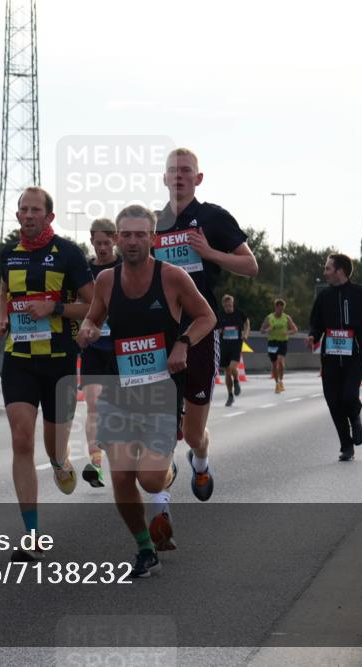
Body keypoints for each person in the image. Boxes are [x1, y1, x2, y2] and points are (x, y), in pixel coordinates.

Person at [77, 205, 216, 577]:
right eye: (127, 235)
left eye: (141, 234)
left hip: (159, 392)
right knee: (122, 475)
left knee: (149, 478)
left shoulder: (173, 277)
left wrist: (183, 343)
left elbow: (207, 316)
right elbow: (94, 315)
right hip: (120, 390)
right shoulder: (107, 279)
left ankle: (168, 467)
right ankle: (144, 548)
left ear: (152, 238)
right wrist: (88, 328)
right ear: (118, 239)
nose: (133, 241)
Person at [0, 187, 94, 561]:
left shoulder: (67, 253)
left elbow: (93, 305)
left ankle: (60, 462)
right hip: (18, 358)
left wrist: (54, 307)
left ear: (50, 217)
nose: (29, 215)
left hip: (58, 360)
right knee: (21, 439)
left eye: (36, 210)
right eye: (23, 210)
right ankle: (32, 534)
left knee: (53, 446)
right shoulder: (8, 254)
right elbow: (4, 291)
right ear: (17, 216)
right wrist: (2, 318)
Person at [154, 147, 258, 507]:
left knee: (193, 433)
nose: (179, 175)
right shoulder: (152, 224)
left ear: (197, 179)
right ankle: (160, 506)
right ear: (164, 178)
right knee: (163, 426)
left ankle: (200, 461)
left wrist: (210, 252)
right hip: (159, 335)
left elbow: (250, 266)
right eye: (172, 170)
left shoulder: (213, 217)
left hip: (201, 328)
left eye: (186, 170)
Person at [307, 254, 362, 462]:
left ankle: (355, 419)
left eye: (328, 268)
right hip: (330, 357)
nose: (325, 272)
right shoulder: (324, 296)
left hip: (354, 355)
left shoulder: (361, 293)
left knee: (348, 396)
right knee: (333, 400)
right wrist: (313, 335)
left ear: (340, 271)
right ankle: (346, 446)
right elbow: (316, 322)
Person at [80, 218, 122, 488]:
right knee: (93, 406)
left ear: (115, 240)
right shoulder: (84, 271)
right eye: (98, 243)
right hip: (94, 349)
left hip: (122, 349)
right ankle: (95, 464)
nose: (103, 247)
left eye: (107, 242)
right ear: (92, 241)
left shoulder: (126, 267)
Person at [261, 298, 299, 394]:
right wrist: (267, 330)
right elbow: (261, 330)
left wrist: (288, 332)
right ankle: (277, 383)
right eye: (278, 308)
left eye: (282, 309)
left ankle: (281, 381)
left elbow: (295, 329)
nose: (280, 311)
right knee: (274, 364)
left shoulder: (286, 318)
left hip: (282, 342)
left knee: (280, 362)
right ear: (275, 307)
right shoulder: (269, 318)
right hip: (272, 342)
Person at [218, 294, 250, 405]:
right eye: (226, 306)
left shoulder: (239, 313)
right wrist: (219, 331)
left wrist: (245, 333)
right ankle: (230, 395)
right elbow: (216, 327)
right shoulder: (220, 315)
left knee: (232, 367)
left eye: (230, 305)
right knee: (227, 371)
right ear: (223, 306)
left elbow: (246, 322)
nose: (229, 308)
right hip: (224, 345)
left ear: (233, 304)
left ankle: (236, 380)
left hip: (236, 344)